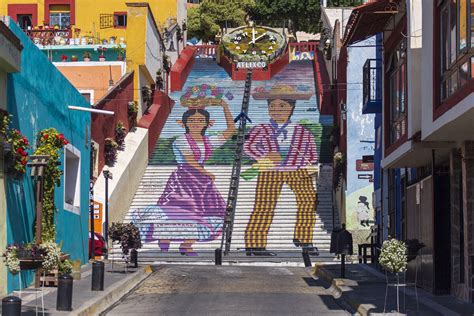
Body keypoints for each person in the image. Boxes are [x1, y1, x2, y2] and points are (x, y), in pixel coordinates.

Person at [132, 99, 235, 256]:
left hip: (202, 183)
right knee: (180, 210)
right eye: (192, 120)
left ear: (208, 123)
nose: (196, 123)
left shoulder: (208, 141)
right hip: (184, 180)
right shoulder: (181, 139)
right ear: (183, 123)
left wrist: (225, 107)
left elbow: (231, 130)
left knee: (206, 212)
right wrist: (206, 172)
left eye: (201, 120)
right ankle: (164, 237)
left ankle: (186, 244)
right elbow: (189, 159)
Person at [244, 85, 319, 256]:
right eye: (272, 106)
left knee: (308, 201)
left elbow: (313, 152)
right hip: (270, 170)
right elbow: (248, 146)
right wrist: (264, 156)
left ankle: (304, 238)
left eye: (282, 106)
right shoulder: (261, 129)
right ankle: (255, 244)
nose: (276, 110)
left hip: (297, 170)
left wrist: (309, 163)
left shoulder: (302, 131)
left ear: (292, 108)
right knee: (264, 205)